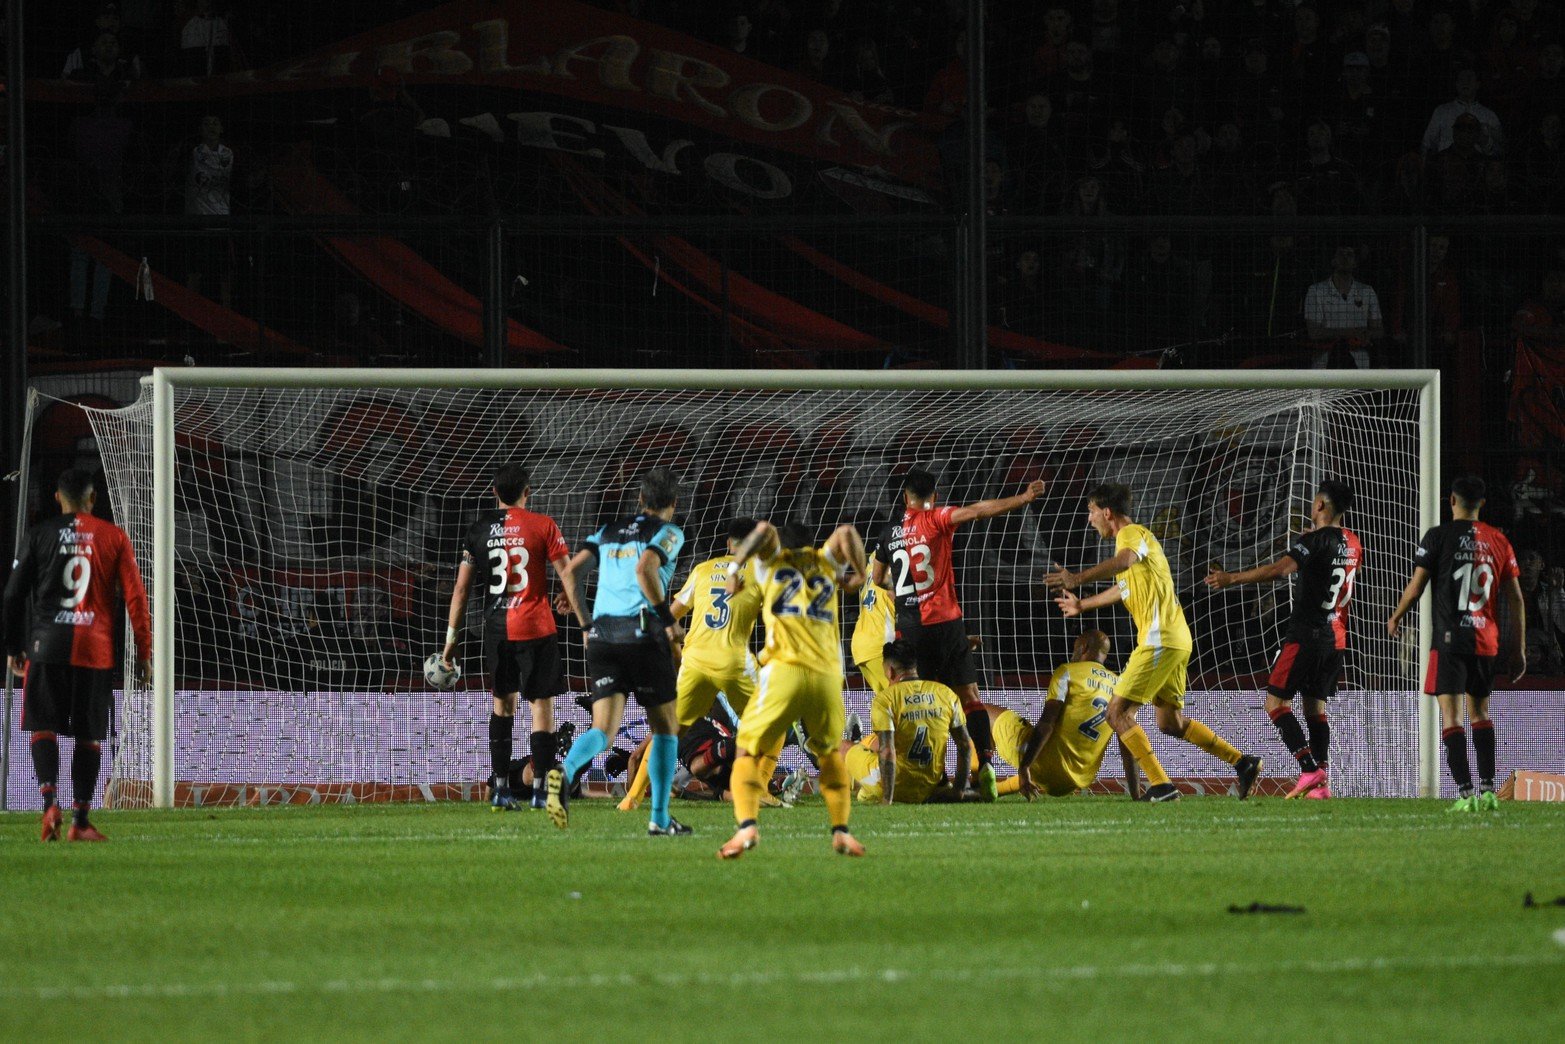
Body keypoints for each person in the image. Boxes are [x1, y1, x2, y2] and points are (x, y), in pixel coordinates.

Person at [1046, 483, 1262, 802]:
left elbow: (1124, 560)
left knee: (1116, 712)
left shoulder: (1130, 535)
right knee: (1170, 723)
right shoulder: (1138, 546)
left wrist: (1077, 578)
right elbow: (1123, 588)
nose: (1089, 519)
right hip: (1176, 638)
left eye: (1092, 512)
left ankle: (1161, 785)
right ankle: (1243, 762)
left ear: (1108, 512)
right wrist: (1082, 604)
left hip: (1159, 639)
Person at [872, 469, 1044, 801]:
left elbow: (878, 579)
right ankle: (985, 763)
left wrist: (904, 591)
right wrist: (1023, 498)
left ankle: (935, 775)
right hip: (947, 623)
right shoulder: (937, 518)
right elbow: (978, 511)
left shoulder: (888, 533)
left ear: (905, 498)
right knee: (969, 696)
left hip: (911, 629)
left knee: (921, 700)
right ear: (934, 497)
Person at [3, 469, 151, 842]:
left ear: (57, 498)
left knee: (43, 725)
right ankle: (80, 821)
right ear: (92, 499)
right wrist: (144, 652)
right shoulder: (114, 537)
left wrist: (14, 647)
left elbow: (12, 595)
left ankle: (49, 801)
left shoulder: (39, 535)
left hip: (46, 647)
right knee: (89, 735)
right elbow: (136, 598)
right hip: (94, 650)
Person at [546, 467, 689, 836]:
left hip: (602, 636)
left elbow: (569, 573)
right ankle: (659, 818)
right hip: (642, 634)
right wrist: (668, 622)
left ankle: (565, 771)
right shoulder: (670, 532)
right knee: (666, 728)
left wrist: (585, 626)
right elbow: (645, 569)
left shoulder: (607, 531)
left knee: (603, 729)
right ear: (674, 503)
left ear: (640, 499)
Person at [718, 519, 868, 859]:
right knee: (829, 755)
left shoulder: (773, 563)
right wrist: (859, 575)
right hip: (827, 676)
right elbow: (846, 531)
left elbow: (763, 529)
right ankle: (841, 832)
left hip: (783, 672)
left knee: (746, 751)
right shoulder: (826, 563)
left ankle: (746, 828)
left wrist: (733, 569)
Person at [1205, 481, 1361, 799]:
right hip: (1336, 638)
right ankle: (1321, 784)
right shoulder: (1353, 541)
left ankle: (1309, 769)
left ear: (1320, 505)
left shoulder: (1313, 541)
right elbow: (1327, 562)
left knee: (1275, 704)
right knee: (1315, 709)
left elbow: (1280, 570)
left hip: (1306, 636)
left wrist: (1231, 578)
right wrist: (1312, 543)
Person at [440, 464, 582, 811]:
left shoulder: (478, 530)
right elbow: (568, 572)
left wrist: (450, 642)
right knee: (541, 707)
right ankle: (539, 792)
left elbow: (461, 589)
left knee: (502, 705)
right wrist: (578, 613)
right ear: (527, 491)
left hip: (498, 629)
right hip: (537, 627)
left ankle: (501, 789)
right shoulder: (543, 525)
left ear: (493, 492)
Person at [1388, 476, 1526, 812]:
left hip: (1449, 641)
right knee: (1480, 713)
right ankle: (1489, 791)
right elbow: (1516, 599)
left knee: (1452, 717)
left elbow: (1416, 587)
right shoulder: (1499, 540)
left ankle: (1466, 796)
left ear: (1451, 500)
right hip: (1485, 641)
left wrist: (1396, 616)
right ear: (1482, 504)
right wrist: (1518, 649)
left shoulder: (1438, 536)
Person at [617, 517, 763, 811]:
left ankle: (631, 798)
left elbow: (669, 615)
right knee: (769, 721)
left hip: (695, 661)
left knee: (668, 733)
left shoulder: (702, 570)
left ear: (728, 543)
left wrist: (660, 646)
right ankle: (758, 790)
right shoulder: (761, 573)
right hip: (734, 662)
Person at [990, 629, 1135, 799]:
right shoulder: (1119, 686)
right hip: (1077, 781)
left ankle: (978, 780)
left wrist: (1024, 766)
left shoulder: (1067, 671)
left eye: (1075, 648)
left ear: (1084, 647)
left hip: (1047, 765)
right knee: (1053, 745)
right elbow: (1128, 746)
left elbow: (1047, 724)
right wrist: (1136, 794)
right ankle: (991, 791)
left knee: (981, 713)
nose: (1073, 653)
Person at [842, 639, 970, 805]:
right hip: (931, 785)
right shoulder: (945, 693)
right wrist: (958, 790)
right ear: (915, 667)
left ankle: (844, 757)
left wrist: (887, 799)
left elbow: (887, 751)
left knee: (843, 747)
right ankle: (866, 790)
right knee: (865, 787)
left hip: (894, 787)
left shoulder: (886, 699)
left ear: (890, 671)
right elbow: (965, 745)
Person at [1303, 244, 1384, 368]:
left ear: (1355, 262)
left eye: (1350, 255)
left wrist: (1366, 335)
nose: (1345, 258)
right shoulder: (1316, 291)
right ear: (1333, 260)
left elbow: (1379, 330)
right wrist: (1351, 333)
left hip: (1360, 365)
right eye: (1341, 254)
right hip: (1324, 366)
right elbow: (1313, 332)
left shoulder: (1367, 291)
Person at [850, 573, 896, 698]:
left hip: (861, 645)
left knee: (886, 701)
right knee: (902, 697)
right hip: (881, 645)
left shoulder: (871, 567)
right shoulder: (894, 567)